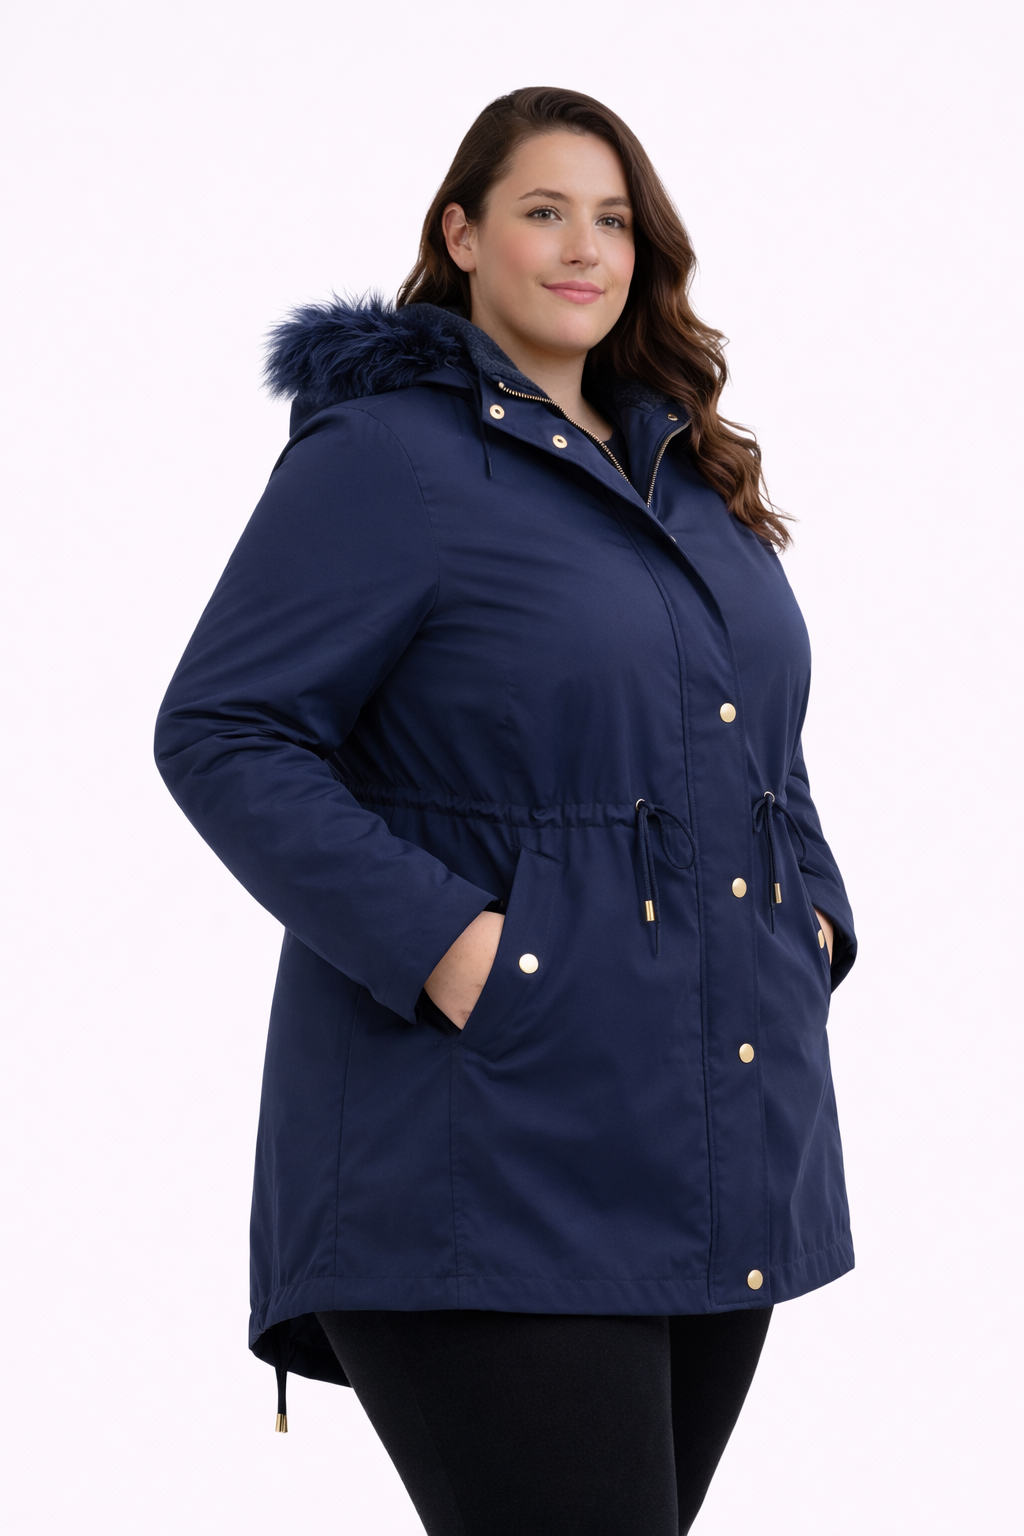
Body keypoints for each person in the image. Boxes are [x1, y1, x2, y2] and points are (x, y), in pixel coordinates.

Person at [155, 86, 856, 1536]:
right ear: (463, 234)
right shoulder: (387, 458)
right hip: (483, 1137)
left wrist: (817, 922)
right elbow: (223, 730)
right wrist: (454, 947)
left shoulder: (685, 471)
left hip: (714, 1129)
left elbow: (757, 741)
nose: (585, 248)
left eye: (614, 219)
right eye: (545, 211)